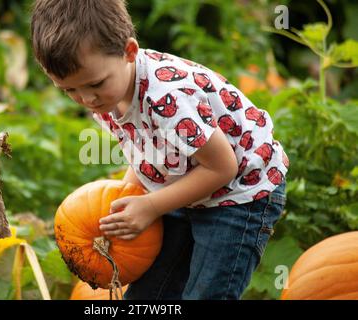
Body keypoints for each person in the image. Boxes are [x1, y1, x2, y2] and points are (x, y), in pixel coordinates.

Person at [31, 0, 289, 300]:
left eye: (94, 84)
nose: (86, 98)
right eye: (69, 90)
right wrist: (123, 200)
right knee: (150, 294)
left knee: (207, 292)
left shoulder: (167, 100)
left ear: (129, 52)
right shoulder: (108, 95)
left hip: (239, 191)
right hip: (189, 180)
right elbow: (146, 153)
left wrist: (151, 206)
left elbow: (223, 168)